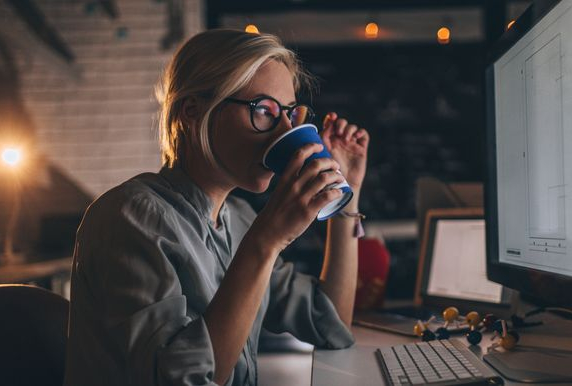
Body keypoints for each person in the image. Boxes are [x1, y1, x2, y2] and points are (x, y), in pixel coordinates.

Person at [64, 29, 370, 386]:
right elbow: (183, 380)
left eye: (290, 113)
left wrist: (346, 193)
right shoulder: (129, 217)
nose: (285, 132)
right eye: (264, 111)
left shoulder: (238, 218)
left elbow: (330, 324)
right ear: (193, 113)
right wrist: (266, 241)